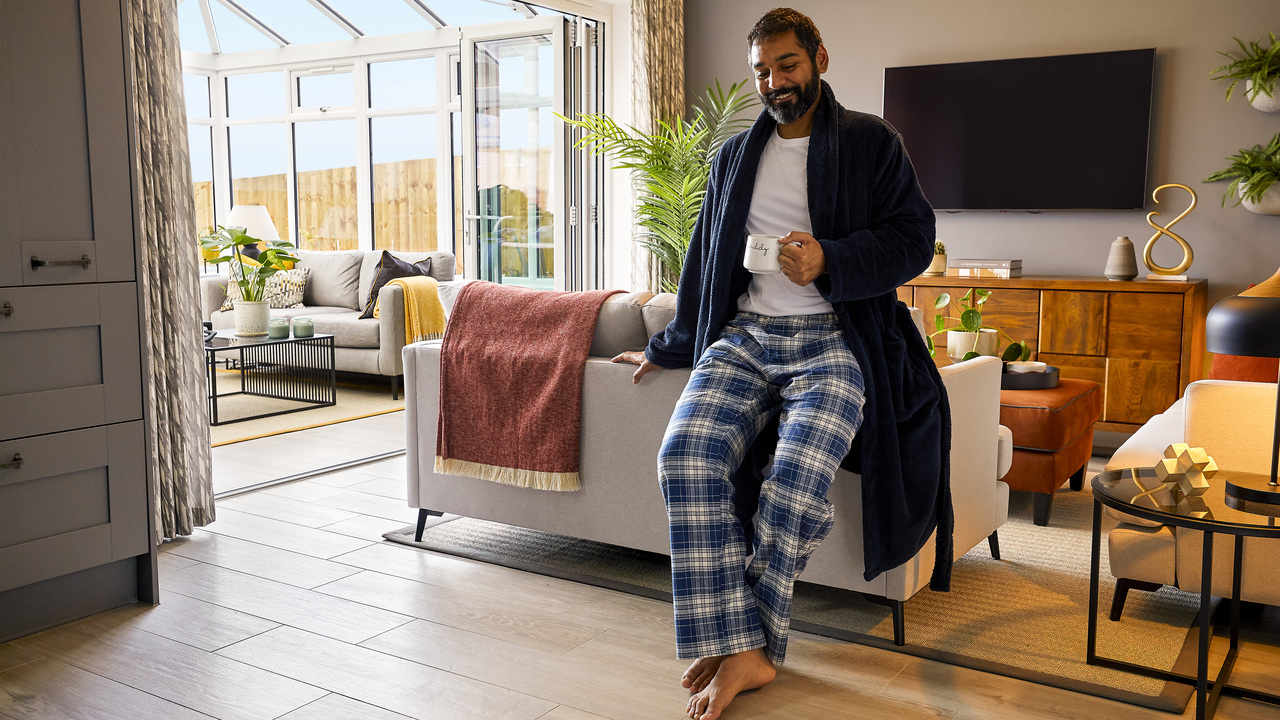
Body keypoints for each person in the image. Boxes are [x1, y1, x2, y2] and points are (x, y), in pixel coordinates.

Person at [613, 8, 949, 720]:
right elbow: (705, 261)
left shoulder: (870, 142)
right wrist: (668, 344)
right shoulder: (734, 157)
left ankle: (747, 650)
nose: (774, 82)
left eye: (786, 65)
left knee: (794, 484)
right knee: (684, 459)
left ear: (819, 58)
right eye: (762, 71)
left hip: (835, 342)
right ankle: (741, 643)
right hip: (746, 337)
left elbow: (915, 240)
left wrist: (832, 259)